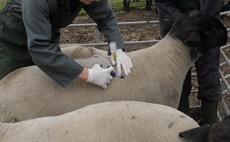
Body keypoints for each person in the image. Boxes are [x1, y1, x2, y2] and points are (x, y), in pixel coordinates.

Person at [0, 0, 133, 89]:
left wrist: (116, 49)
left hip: (46, 35)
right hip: (10, 42)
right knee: (7, 89)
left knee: (43, 87)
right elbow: (40, 48)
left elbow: (105, 17)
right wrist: (89, 75)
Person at [155, 0, 223, 125]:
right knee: (178, 81)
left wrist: (206, 23)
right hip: (177, 31)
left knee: (210, 78)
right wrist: (187, 22)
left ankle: (210, 127)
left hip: (207, 31)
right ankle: (182, 126)